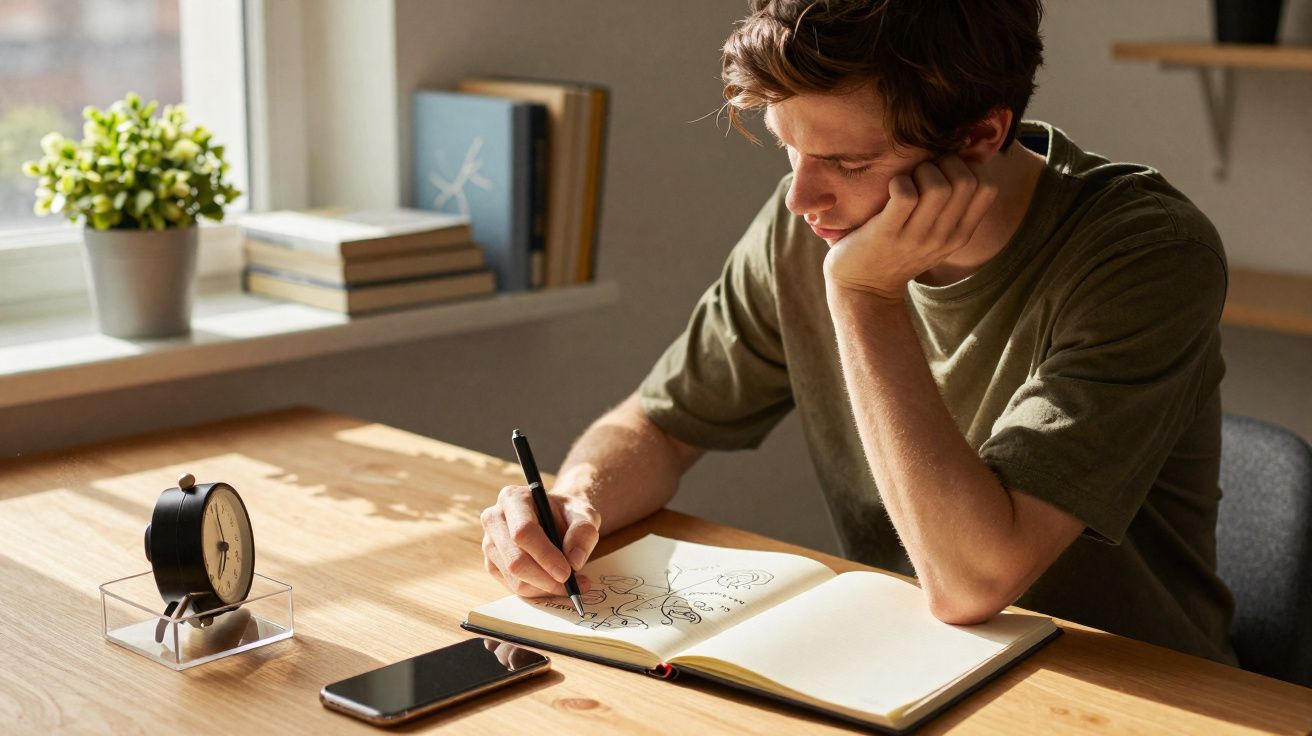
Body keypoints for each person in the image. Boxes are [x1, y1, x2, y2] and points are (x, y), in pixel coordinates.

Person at [479, 0, 1237, 664]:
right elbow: (662, 424)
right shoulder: (812, 221)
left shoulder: (1146, 254)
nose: (800, 198)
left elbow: (974, 580)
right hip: (903, 670)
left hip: (1140, 694)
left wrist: (864, 296)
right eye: (789, 146)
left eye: (846, 159)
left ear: (979, 137)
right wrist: (577, 500)